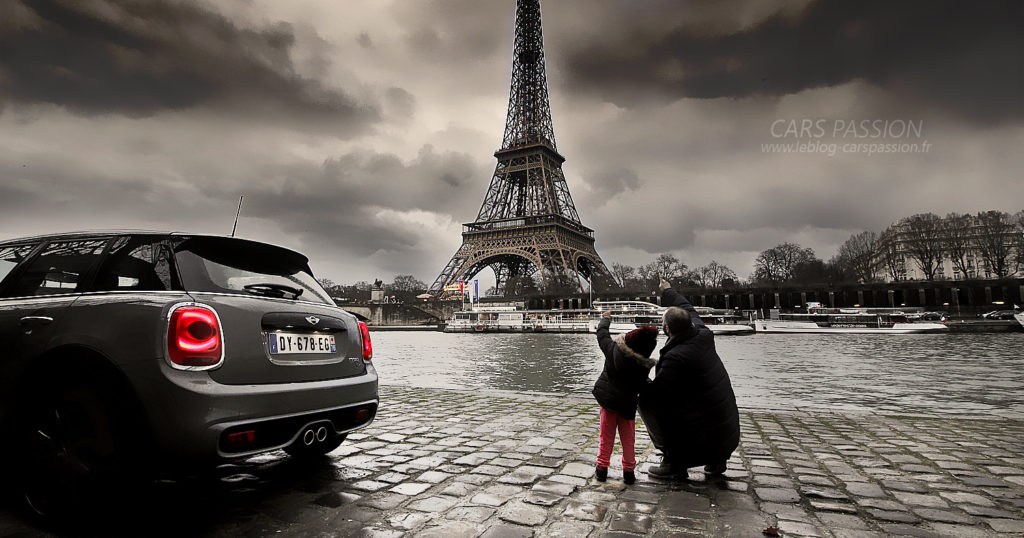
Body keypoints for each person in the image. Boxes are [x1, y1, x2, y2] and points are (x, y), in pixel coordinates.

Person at [639, 275, 740, 479]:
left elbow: (656, 397)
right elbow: (687, 307)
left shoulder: (675, 358)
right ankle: (717, 459)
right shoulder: (702, 333)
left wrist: (635, 369)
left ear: (667, 329)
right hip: (727, 437)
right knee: (699, 400)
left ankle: (673, 462)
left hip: (704, 437)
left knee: (646, 403)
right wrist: (667, 290)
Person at [592, 310, 658, 485]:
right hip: (627, 406)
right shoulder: (642, 368)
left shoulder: (612, 349)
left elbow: (602, 335)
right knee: (628, 439)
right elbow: (645, 386)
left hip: (608, 401)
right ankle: (629, 471)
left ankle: (601, 468)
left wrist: (605, 320)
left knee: (606, 437)